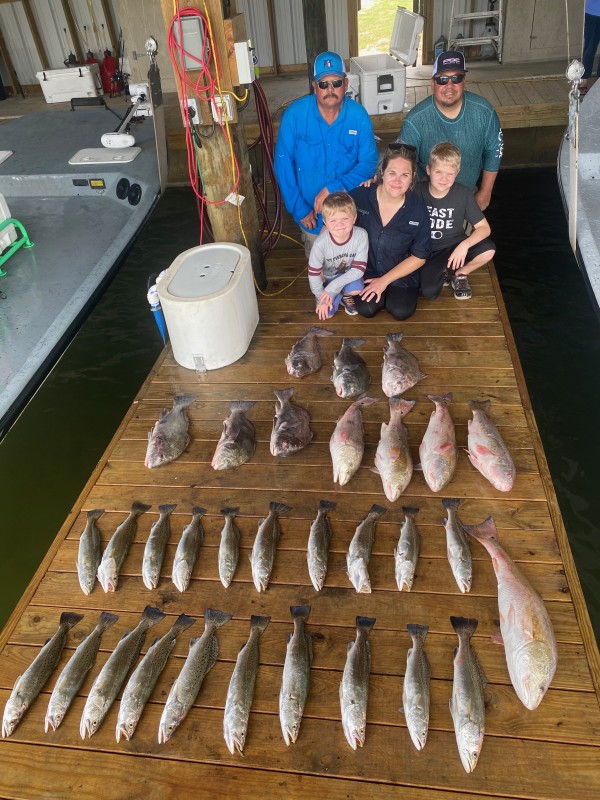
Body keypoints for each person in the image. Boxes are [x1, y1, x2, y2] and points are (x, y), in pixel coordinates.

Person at [274, 51, 378, 255]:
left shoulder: (358, 116)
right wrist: (300, 208)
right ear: (314, 87)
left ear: (346, 84)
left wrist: (334, 187)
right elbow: (283, 164)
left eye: (336, 83)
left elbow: (369, 163)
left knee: (353, 266)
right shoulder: (294, 115)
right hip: (311, 215)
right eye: (323, 84)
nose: (330, 89)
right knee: (319, 269)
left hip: (349, 214)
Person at [397, 51, 503, 211]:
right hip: (425, 200)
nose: (449, 86)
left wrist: (485, 192)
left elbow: (495, 150)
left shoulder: (484, 111)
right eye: (442, 79)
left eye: (456, 78)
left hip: (467, 196)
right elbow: (401, 161)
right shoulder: (415, 120)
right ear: (432, 83)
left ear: (464, 81)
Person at [349, 143, 431, 320]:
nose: (397, 180)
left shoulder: (418, 209)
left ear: (412, 178)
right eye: (392, 173)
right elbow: (335, 216)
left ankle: (392, 292)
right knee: (366, 309)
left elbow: (420, 256)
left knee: (401, 311)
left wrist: (384, 281)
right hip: (367, 270)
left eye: (405, 175)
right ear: (382, 173)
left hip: (400, 275)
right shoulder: (360, 197)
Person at [414, 142, 496, 301]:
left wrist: (464, 245)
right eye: (438, 172)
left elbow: (484, 228)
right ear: (429, 170)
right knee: (429, 291)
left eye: (450, 173)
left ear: (457, 173)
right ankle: (443, 270)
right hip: (427, 249)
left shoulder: (463, 193)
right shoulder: (417, 191)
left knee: (488, 250)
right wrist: (371, 183)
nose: (444, 178)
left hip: (454, 245)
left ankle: (460, 274)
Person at [308, 192, 368, 319]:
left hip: (348, 275)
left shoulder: (361, 235)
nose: (339, 224)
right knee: (327, 315)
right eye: (333, 220)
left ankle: (344, 295)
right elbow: (313, 275)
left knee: (357, 288)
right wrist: (321, 297)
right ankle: (337, 294)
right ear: (325, 222)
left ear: (354, 218)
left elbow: (358, 270)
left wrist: (332, 290)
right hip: (328, 277)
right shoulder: (320, 244)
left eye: (345, 218)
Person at [580, 0, 600, 96]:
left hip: (592, 13)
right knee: (590, 48)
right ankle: (584, 79)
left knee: (589, 48)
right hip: (592, 13)